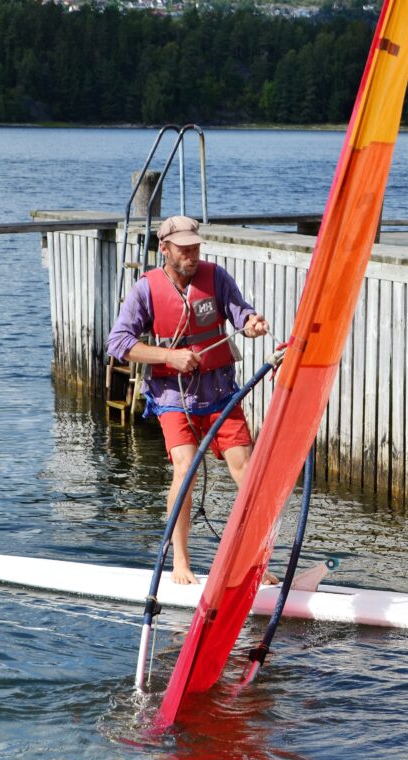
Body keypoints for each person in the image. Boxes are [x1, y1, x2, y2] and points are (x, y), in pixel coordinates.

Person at [107, 215, 271, 585]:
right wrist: (169, 357)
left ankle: (257, 562)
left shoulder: (216, 277)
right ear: (164, 249)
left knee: (247, 470)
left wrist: (252, 324)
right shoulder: (145, 289)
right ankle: (181, 561)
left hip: (219, 392)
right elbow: (118, 344)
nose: (192, 255)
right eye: (184, 250)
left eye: (196, 248)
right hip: (171, 398)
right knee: (185, 469)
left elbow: (240, 314)